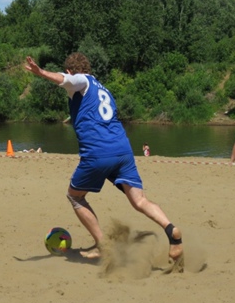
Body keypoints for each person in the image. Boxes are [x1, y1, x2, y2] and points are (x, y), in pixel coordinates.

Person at [25, 53, 183, 266]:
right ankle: (171, 231)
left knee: (75, 196)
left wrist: (41, 72)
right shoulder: (104, 89)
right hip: (123, 150)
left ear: (71, 70)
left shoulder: (82, 81)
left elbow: (67, 80)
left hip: (98, 152)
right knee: (140, 201)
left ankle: (103, 246)